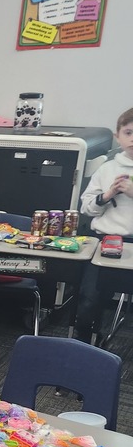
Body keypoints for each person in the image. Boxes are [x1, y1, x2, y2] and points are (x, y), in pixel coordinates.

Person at [75, 107, 133, 343]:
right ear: (117, 137)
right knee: (89, 298)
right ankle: (86, 342)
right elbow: (86, 208)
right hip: (105, 242)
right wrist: (107, 195)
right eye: (128, 132)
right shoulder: (106, 169)